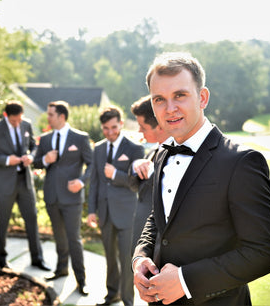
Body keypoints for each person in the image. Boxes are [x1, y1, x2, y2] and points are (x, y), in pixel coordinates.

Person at [132, 52, 270, 305]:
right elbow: (159, 219)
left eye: (180, 95)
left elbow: (264, 252)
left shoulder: (242, 162)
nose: (170, 108)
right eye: (159, 99)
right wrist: (140, 256)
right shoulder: (161, 154)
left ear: (202, 98)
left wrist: (185, 281)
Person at [0, 100, 50, 271]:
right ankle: (0, 259)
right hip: (5, 182)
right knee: (3, 221)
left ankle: (37, 258)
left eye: (19, 119)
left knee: (32, 219)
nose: (17, 123)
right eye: (13, 120)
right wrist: (5, 160)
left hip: (25, 181)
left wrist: (31, 157)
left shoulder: (26, 125)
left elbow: (33, 146)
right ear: (6, 116)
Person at [33, 101, 93, 296]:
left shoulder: (80, 138)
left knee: (74, 239)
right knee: (59, 236)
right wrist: (44, 160)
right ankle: (61, 269)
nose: (48, 117)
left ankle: (81, 280)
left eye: (51, 114)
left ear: (61, 116)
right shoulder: (45, 139)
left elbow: (92, 165)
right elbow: (35, 163)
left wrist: (82, 181)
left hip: (72, 197)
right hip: (52, 196)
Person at [87, 105, 144, 306]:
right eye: (105, 128)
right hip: (105, 212)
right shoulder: (99, 148)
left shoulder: (134, 148)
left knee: (128, 259)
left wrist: (116, 175)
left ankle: (128, 300)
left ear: (120, 123)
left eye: (113, 127)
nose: (110, 132)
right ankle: (112, 294)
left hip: (127, 213)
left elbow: (138, 183)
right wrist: (91, 211)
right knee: (110, 257)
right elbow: (94, 181)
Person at [129, 95, 169, 248]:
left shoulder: (179, 155)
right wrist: (135, 167)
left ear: (160, 125)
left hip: (158, 244)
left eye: (143, 127)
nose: (139, 131)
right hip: (141, 238)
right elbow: (135, 187)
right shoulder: (151, 151)